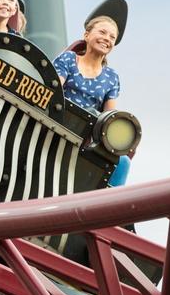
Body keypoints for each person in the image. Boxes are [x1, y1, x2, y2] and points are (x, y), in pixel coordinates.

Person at [53, 14, 129, 187]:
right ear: (87, 35)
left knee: (122, 161)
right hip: (60, 120)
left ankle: (109, 201)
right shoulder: (69, 60)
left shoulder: (111, 77)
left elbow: (109, 116)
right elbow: (54, 90)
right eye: (102, 32)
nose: (106, 39)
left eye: (112, 37)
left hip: (87, 133)